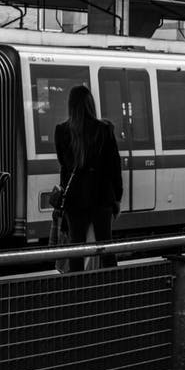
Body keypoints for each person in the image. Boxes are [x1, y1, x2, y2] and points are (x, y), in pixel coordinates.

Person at [54, 84, 123, 272]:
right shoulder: (104, 130)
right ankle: (113, 285)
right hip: (102, 197)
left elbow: (65, 167)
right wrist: (117, 198)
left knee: (77, 246)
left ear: (71, 106)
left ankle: (78, 288)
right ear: (90, 104)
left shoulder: (61, 131)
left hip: (74, 199)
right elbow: (114, 168)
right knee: (105, 245)